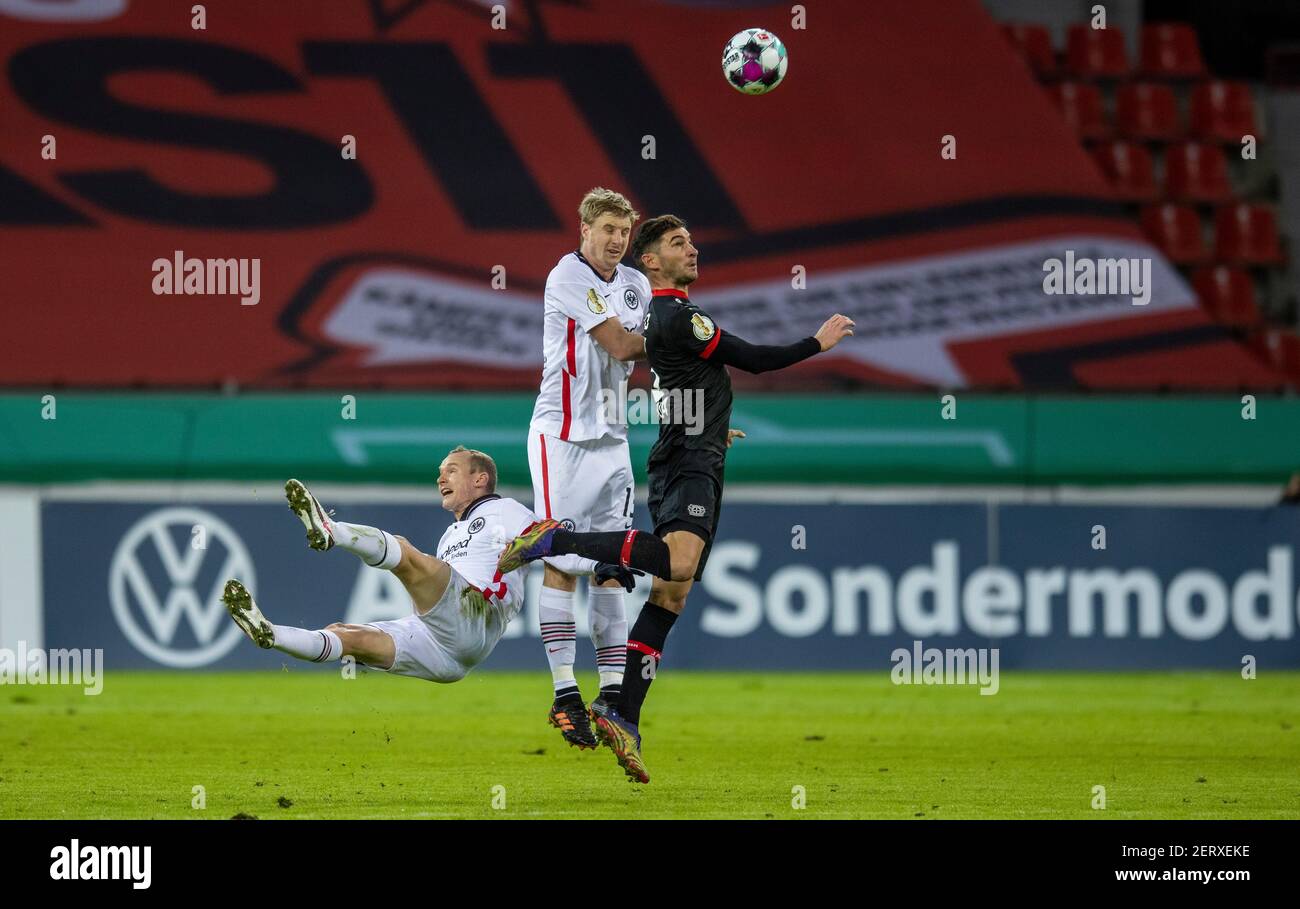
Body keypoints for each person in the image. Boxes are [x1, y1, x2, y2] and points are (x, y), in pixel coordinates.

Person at [498, 215, 855, 782]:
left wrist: (710, 424)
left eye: (691, 239)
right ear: (652, 261)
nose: (692, 249)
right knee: (677, 563)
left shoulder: (662, 313)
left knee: (671, 595)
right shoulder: (679, 315)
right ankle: (556, 540)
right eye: (676, 243)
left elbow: (671, 380)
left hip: (700, 454)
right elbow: (753, 358)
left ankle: (622, 714)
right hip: (682, 463)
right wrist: (819, 341)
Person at [223, 447, 539, 685]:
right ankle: (269, 634)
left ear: (480, 479)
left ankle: (331, 531)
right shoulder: (450, 536)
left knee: (402, 551)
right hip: (445, 652)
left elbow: (545, 536)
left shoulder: (504, 509)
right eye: (440, 472)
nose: (440, 478)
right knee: (345, 636)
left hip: (477, 617)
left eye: (452, 471)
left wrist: (577, 550)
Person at [527, 187, 650, 749]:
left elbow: (648, 364)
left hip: (613, 439)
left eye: (624, 232)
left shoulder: (637, 285)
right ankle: (563, 694)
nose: (616, 241)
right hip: (563, 438)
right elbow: (624, 348)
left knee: (612, 567)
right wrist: (685, 336)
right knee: (560, 559)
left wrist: (702, 414)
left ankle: (611, 695)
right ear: (584, 229)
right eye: (607, 230)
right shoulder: (567, 277)